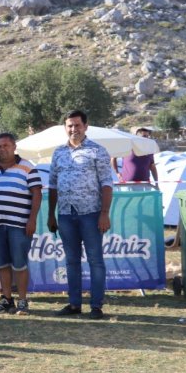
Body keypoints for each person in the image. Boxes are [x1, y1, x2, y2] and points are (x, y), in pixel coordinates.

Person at [48, 109, 114, 320]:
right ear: (65, 128)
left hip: (91, 214)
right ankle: (74, 304)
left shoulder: (98, 151)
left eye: (77, 125)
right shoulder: (58, 152)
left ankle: (96, 306)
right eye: (70, 125)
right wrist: (51, 214)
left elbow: (107, 184)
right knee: (71, 261)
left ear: (86, 126)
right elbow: (52, 185)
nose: (73, 129)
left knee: (95, 261)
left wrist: (104, 213)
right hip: (65, 214)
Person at [0, 133, 42, 315]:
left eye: (6, 145)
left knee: (19, 263)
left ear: (14, 147)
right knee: (1, 263)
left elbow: (37, 193)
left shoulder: (27, 167)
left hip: (20, 224)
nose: (2, 149)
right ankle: (6, 300)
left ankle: (22, 301)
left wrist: (32, 219)